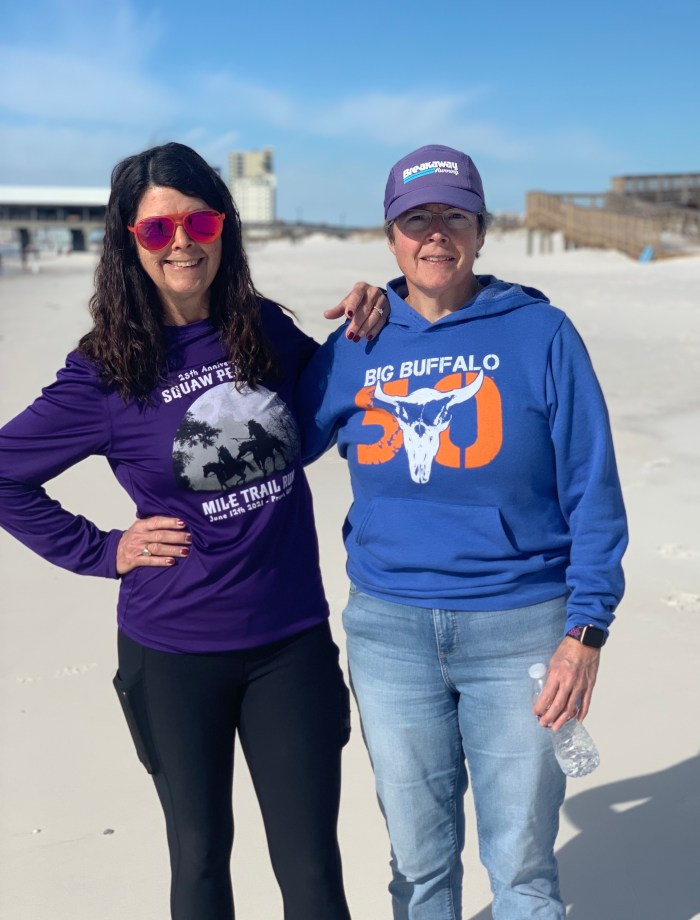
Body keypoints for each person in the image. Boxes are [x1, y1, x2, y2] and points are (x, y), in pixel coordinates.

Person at [0, 141, 388, 920]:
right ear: (128, 244)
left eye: (199, 222)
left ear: (223, 227)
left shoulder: (263, 329)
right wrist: (105, 550)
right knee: (201, 859)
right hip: (173, 652)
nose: (181, 242)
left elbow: (320, 411)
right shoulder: (106, 371)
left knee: (312, 870)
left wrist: (373, 318)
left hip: (290, 643)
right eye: (156, 229)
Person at [298, 144, 628, 919]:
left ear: (482, 230)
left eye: (455, 216)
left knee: (522, 869)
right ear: (390, 236)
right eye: (417, 219)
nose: (436, 234)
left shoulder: (542, 334)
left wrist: (586, 631)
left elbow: (593, 487)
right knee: (417, 867)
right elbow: (275, 435)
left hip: (523, 631)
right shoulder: (358, 344)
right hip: (389, 635)